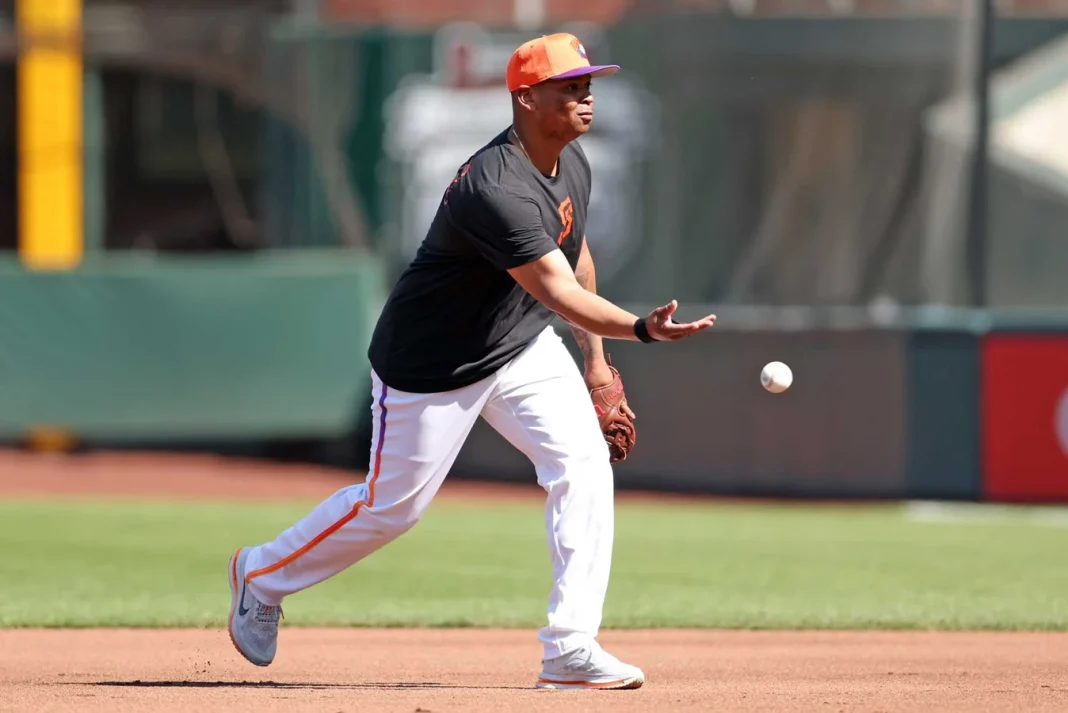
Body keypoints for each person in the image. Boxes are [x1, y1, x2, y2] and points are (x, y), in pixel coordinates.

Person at [226, 32, 716, 691]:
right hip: (435, 362)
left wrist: (598, 366)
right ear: (526, 98)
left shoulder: (572, 161)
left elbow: (577, 257)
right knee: (392, 508)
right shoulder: (496, 187)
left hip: (518, 343)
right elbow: (559, 289)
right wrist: (638, 329)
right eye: (569, 87)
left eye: (587, 84)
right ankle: (260, 575)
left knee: (582, 465)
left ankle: (570, 648)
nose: (586, 96)